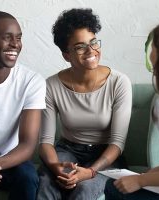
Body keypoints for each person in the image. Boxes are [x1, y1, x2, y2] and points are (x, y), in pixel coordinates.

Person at [37, 8, 132, 200]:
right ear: (66, 55)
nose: (91, 51)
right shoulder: (51, 85)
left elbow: (117, 143)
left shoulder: (119, 82)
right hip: (67, 150)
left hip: (106, 155)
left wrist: (90, 171)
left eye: (93, 42)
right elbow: (46, 141)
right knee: (47, 182)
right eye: (80, 46)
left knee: (84, 190)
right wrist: (56, 168)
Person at [104, 19, 159, 200]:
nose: (150, 51)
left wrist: (141, 181)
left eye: (154, 46)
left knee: (113, 189)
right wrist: (156, 173)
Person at [0, 11, 46, 200]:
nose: (15, 44)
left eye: (18, 38)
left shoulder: (31, 81)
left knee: (27, 178)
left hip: (9, 159)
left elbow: (28, 144)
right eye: (7, 38)